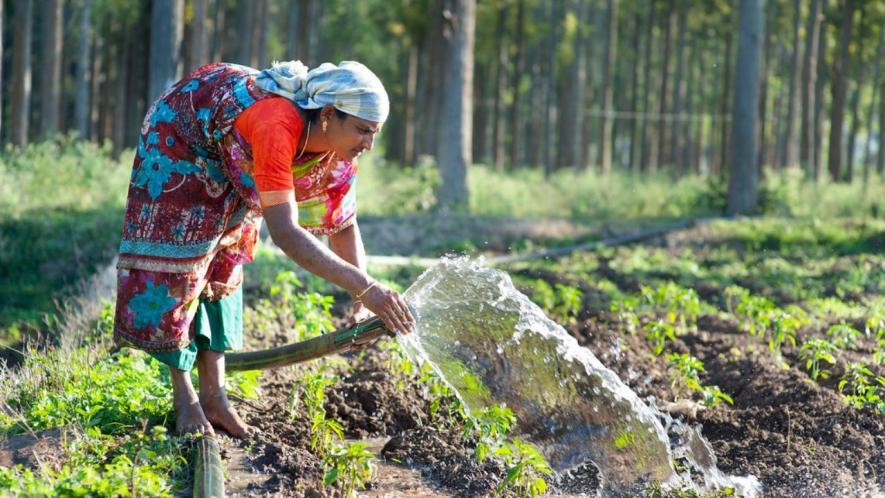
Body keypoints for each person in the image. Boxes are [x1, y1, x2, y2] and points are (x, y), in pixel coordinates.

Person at [113, 60, 415, 438]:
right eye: (362, 130)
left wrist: (359, 297)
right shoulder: (277, 123)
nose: (368, 144)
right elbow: (286, 233)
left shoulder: (340, 152)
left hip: (236, 150)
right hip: (184, 135)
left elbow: (343, 222)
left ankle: (215, 396)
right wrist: (366, 288)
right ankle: (185, 397)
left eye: (375, 134)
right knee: (182, 262)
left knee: (227, 259)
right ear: (326, 115)